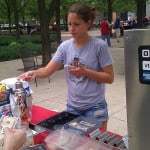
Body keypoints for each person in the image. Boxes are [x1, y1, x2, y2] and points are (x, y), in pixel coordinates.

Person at [18, 3, 114, 130]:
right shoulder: (65, 47)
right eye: (69, 24)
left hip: (95, 107)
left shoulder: (99, 46)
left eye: (76, 24)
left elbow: (109, 77)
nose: (72, 28)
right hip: (73, 107)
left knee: (96, 145)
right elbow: (47, 71)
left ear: (88, 23)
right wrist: (33, 73)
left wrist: (86, 72)